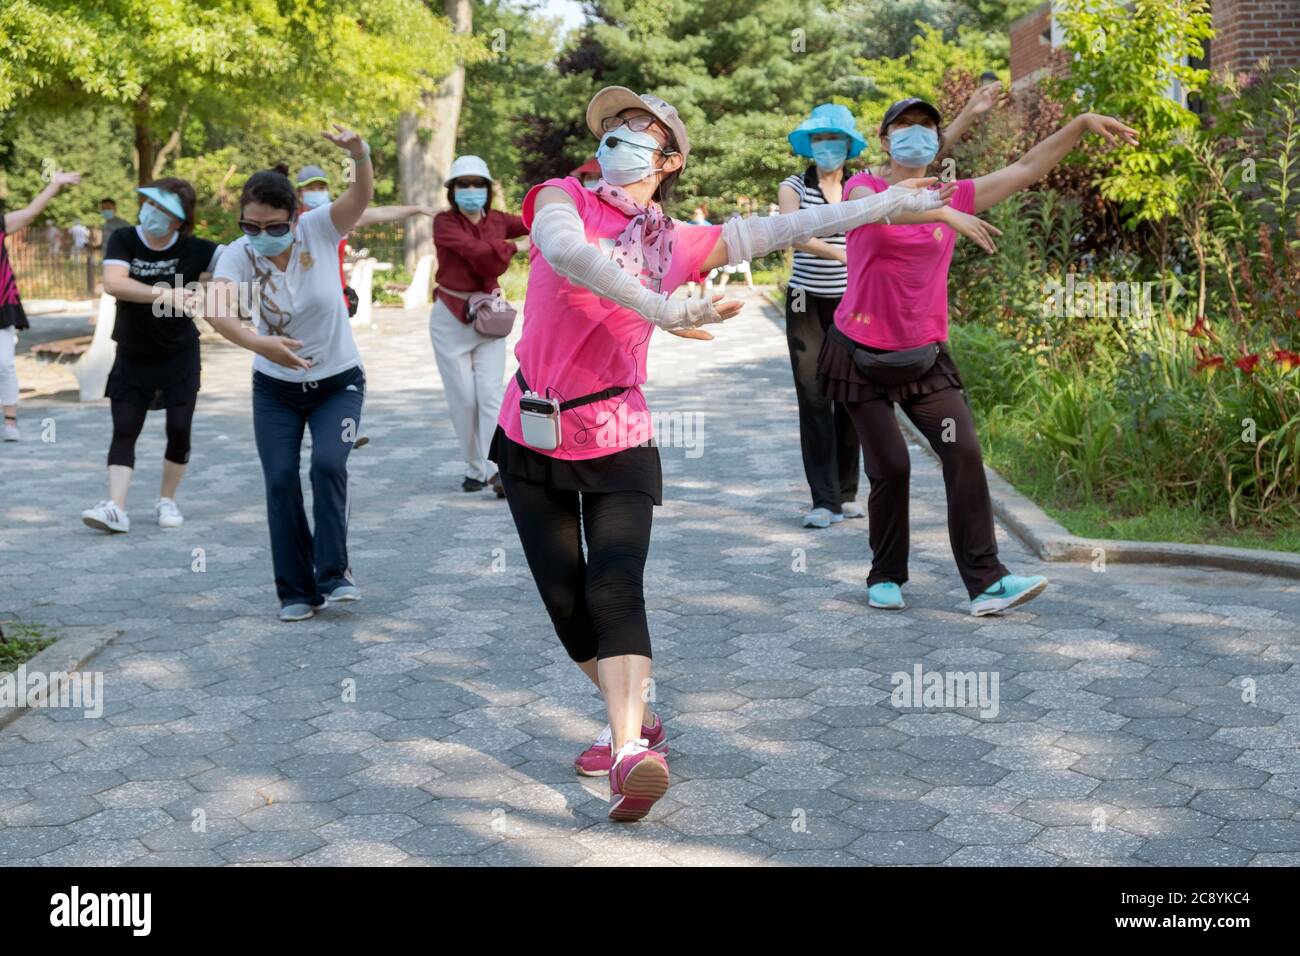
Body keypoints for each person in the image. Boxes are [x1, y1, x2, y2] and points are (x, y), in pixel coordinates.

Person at [492, 85, 996, 821]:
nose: (620, 139)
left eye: (640, 130)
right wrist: (662, 308)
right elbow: (569, 256)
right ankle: (634, 716)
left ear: (668, 160)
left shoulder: (681, 243)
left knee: (615, 588)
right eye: (616, 128)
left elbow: (793, 223)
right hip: (530, 431)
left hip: (617, 435)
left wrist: (889, 205)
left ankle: (631, 749)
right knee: (567, 607)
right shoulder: (559, 196)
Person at [818, 97, 1138, 617]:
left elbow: (1027, 168)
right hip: (859, 356)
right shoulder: (864, 188)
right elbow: (886, 212)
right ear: (884, 139)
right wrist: (945, 211)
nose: (916, 135)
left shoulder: (954, 193)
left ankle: (987, 582)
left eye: (926, 127)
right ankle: (886, 575)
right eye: (904, 126)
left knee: (963, 452)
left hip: (923, 357)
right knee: (891, 468)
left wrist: (1079, 123)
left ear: (936, 139)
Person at [205, 126, 374, 622]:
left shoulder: (320, 228)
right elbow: (217, 311)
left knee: (326, 464)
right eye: (250, 226)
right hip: (274, 389)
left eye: (272, 225)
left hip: (338, 382)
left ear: (294, 217)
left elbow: (361, 195)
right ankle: (296, 591)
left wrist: (359, 154)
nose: (260, 235)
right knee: (280, 479)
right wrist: (259, 344)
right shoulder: (236, 254)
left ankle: (334, 573)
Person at [81, 180, 221, 533]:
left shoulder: (196, 249)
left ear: (180, 221)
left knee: (179, 430)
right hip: (132, 353)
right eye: (151, 205)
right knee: (125, 429)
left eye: (164, 210)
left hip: (179, 354)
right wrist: (168, 295)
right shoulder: (125, 239)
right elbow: (115, 282)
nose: (153, 213)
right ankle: (115, 507)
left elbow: (243, 258)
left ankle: (166, 500)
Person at [294, 163, 437, 450]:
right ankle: (319, 425)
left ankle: (341, 425)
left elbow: (379, 213)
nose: (317, 193)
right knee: (306, 367)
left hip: (335, 304)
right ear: (299, 193)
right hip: (301, 308)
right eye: (311, 188)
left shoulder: (334, 218)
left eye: (322, 187)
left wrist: (417, 209)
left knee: (344, 365)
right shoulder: (288, 224)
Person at [778, 103, 868, 529]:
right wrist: (838, 251)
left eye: (833, 138)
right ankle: (823, 500)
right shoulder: (794, 185)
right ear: (809, 144)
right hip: (806, 303)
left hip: (854, 301)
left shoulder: (860, 187)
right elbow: (792, 228)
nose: (826, 146)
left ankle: (847, 492)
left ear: (848, 145)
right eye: (819, 138)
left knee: (851, 396)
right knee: (814, 397)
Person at [431, 154, 528, 497]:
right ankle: (474, 467)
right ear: (452, 190)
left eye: (477, 184)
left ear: (487, 190)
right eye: (463, 184)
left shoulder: (500, 220)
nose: (470, 190)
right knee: (463, 399)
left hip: (491, 316)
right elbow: (478, 254)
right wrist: (514, 246)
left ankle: (495, 470)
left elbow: (536, 220)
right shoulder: (444, 224)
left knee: (490, 395)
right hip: (450, 317)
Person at [0, 170, 82, 442]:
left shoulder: (1, 223)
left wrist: (55, 184)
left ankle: (10, 421)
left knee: (5, 365)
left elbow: (32, 211)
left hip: (2, 306)